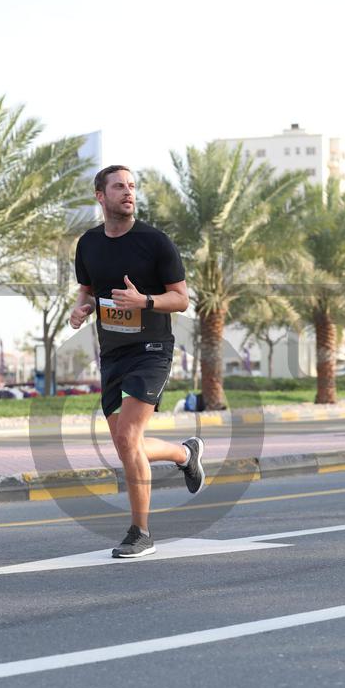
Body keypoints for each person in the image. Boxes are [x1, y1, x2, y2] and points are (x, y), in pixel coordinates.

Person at [70, 165, 205, 557]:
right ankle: (185, 454)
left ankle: (140, 532)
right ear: (101, 196)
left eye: (131, 186)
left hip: (151, 350)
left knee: (129, 438)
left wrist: (143, 301)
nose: (128, 192)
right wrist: (81, 309)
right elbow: (86, 290)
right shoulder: (88, 244)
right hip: (112, 353)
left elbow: (181, 299)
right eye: (119, 186)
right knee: (126, 445)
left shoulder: (155, 242)